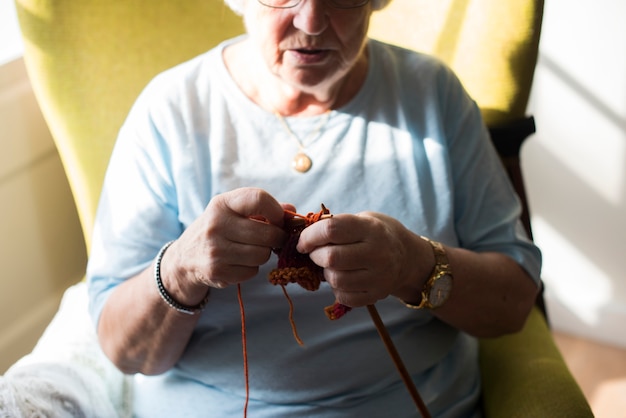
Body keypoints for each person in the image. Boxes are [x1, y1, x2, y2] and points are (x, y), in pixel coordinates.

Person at [86, 0, 542, 416]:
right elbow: (123, 349)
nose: (311, 20)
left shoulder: (432, 94)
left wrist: (414, 264)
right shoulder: (171, 111)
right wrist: (180, 270)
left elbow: (514, 303)